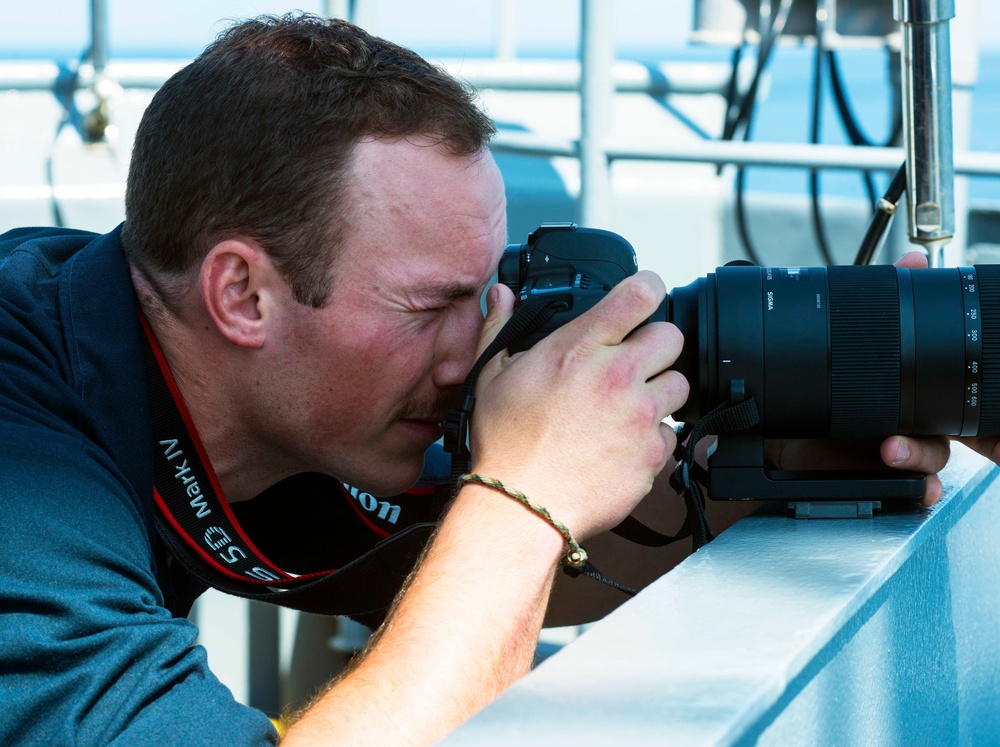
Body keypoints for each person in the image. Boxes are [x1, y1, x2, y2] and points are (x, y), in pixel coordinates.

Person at [0, 13, 960, 747]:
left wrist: (772, 476)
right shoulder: (27, 481)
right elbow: (500, 548)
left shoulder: (260, 393)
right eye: (431, 307)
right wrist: (524, 497)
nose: (480, 351)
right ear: (243, 293)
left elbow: (503, 581)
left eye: (489, 290)